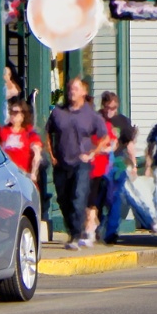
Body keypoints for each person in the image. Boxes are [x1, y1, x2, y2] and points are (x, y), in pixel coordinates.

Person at [46, 77, 109, 248]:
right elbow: (47, 132)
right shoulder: (58, 112)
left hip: (81, 163)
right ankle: (73, 230)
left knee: (78, 197)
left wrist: (93, 153)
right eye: (70, 88)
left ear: (83, 92)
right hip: (61, 163)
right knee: (63, 199)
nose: (72, 92)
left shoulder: (90, 115)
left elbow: (105, 136)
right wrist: (51, 155)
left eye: (75, 88)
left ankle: (75, 235)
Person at [95, 92, 137, 244]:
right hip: (98, 163)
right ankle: (96, 229)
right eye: (107, 107)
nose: (109, 111)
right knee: (97, 198)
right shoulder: (96, 119)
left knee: (114, 198)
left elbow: (130, 144)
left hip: (117, 163)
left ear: (117, 106)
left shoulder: (122, 121)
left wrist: (134, 164)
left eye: (112, 107)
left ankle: (110, 233)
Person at [0, 101, 45, 184]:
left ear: (23, 115)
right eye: (11, 112)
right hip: (5, 177)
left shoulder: (29, 133)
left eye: (16, 112)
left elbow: (37, 153)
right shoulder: (2, 131)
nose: (13, 115)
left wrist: (33, 173)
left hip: (23, 176)